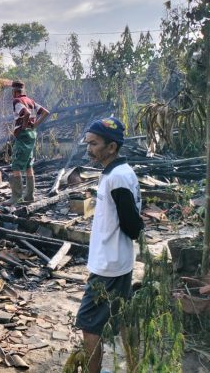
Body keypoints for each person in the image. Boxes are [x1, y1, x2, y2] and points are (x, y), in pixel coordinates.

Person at [75, 117, 144, 373]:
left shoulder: (118, 178)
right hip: (115, 261)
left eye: (94, 144)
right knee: (121, 317)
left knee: (89, 324)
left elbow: (132, 226)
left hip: (109, 266)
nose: (89, 148)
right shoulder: (115, 173)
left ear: (111, 147)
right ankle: (134, 366)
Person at [5, 80, 50, 204]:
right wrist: (34, 125)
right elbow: (46, 112)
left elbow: (27, 113)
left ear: (14, 91)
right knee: (28, 165)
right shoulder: (31, 101)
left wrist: (23, 127)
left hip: (23, 135)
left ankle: (16, 197)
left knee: (16, 165)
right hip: (32, 134)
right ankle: (29, 196)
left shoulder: (17, 101)